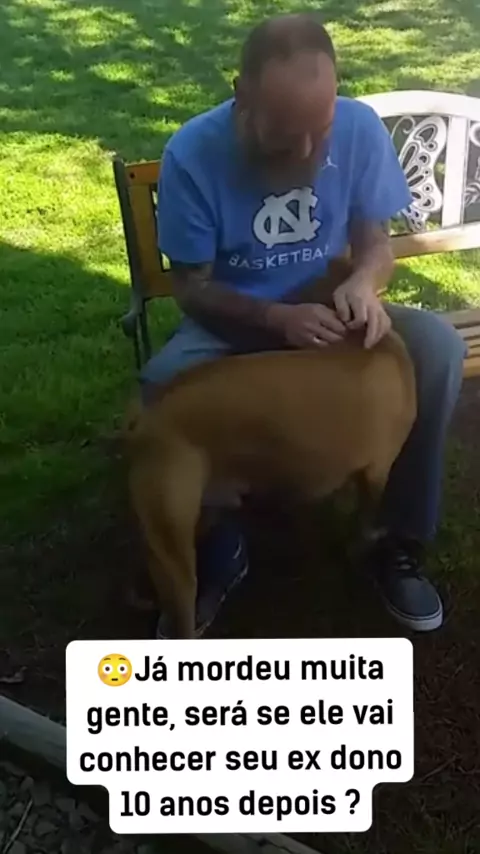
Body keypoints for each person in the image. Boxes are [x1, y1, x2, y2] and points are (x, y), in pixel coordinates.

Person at [140, 13, 466, 637]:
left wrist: (363, 283)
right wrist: (274, 316)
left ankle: (394, 538)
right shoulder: (192, 153)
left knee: (438, 349)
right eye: (288, 134)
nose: (310, 152)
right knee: (162, 388)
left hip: (330, 311)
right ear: (242, 94)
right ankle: (215, 544)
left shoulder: (360, 128)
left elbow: (376, 245)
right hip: (236, 319)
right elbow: (192, 288)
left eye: (322, 129)